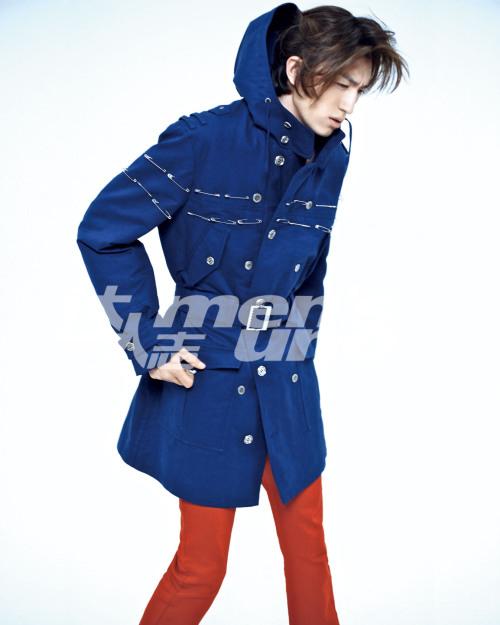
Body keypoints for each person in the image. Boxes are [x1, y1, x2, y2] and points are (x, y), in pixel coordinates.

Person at [76, 3, 409, 623]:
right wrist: (146, 342)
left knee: (309, 553)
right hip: (207, 381)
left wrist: (298, 349)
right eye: (341, 84)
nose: (349, 106)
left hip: (285, 383)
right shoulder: (201, 140)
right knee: (201, 567)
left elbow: (312, 268)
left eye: (359, 90)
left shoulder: (332, 157)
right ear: (296, 69)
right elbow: (102, 232)